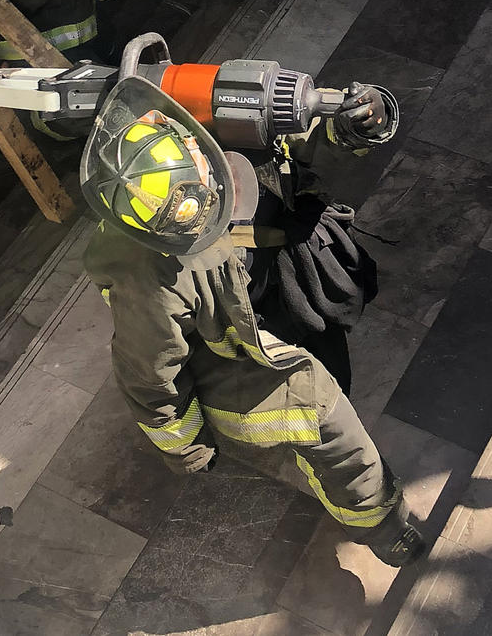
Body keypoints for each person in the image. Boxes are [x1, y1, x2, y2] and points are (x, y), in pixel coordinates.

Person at [78, 73, 427, 567]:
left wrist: (351, 124)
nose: (199, 216)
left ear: (193, 147)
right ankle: (383, 526)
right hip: (231, 348)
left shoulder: (216, 123)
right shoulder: (145, 277)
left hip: (270, 279)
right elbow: (151, 372)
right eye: (180, 218)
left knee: (332, 364)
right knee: (330, 426)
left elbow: (295, 138)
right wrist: (187, 448)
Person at [235, 82, 397, 394]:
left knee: (328, 385)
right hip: (225, 309)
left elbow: (307, 123)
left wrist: (356, 117)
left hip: (283, 274)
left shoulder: (214, 117)